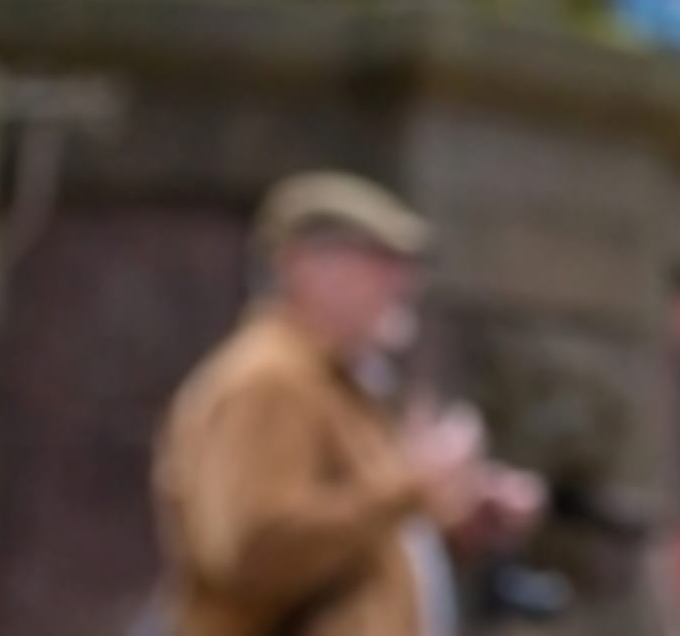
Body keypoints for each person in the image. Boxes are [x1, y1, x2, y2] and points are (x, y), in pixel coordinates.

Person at [150, 171, 540, 636]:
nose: (404, 281)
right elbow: (255, 553)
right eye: (379, 259)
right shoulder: (269, 380)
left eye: (407, 264)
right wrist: (412, 484)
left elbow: (355, 540)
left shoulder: (337, 384)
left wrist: (458, 517)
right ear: (301, 265)